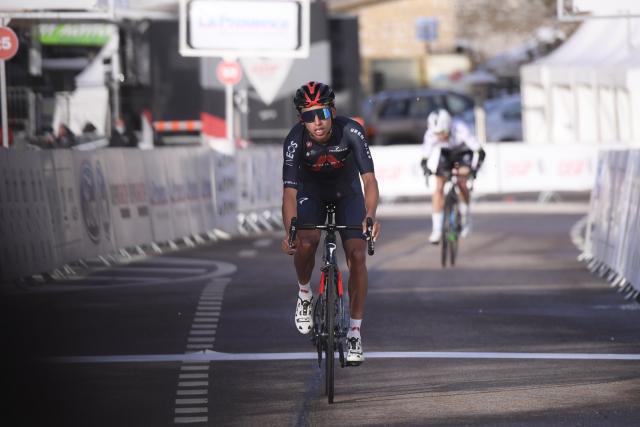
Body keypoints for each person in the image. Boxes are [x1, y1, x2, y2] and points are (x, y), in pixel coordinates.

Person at [281, 81, 381, 366]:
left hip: (347, 193)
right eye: (308, 116)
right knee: (306, 241)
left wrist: (370, 215)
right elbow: (289, 193)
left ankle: (354, 333)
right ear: (301, 119)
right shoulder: (294, 140)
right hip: (310, 192)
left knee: (358, 255)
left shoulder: (351, 131)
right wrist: (289, 229)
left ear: (333, 112)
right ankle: (304, 293)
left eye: (322, 113)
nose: (316, 122)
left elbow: (370, 180)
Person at [420, 109, 485, 244]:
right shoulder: (431, 134)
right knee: (438, 188)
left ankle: (466, 218)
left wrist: (474, 170)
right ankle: (437, 229)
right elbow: (424, 158)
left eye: (442, 133)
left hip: (463, 152)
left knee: (462, 182)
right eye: (436, 134)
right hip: (446, 154)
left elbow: (480, 152)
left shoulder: (461, 128)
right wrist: (426, 169)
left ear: (449, 126)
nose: (439, 137)